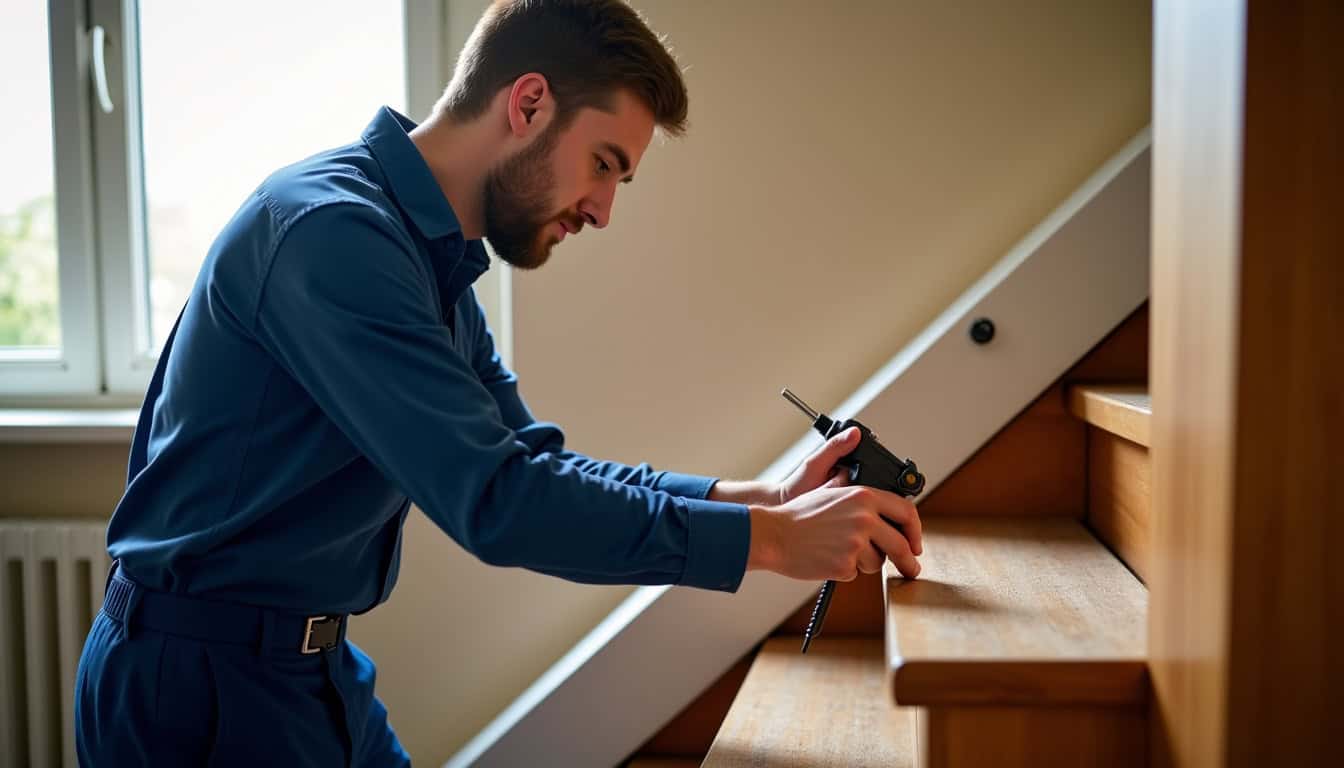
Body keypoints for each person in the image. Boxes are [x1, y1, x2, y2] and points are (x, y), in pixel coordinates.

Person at [74, 0, 923, 764]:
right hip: (198, 690)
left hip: (310, 670)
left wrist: (763, 503)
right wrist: (768, 548)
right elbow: (499, 503)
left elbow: (531, 461)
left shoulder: (426, 258)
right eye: (603, 164)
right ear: (527, 103)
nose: (602, 210)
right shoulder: (332, 236)